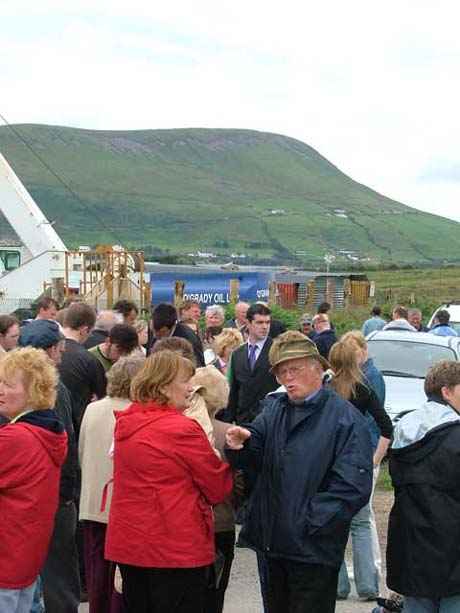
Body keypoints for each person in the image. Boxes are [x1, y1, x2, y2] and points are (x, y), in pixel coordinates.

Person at [226, 332, 373, 613]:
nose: (287, 378)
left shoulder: (345, 419)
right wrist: (240, 443)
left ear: (319, 368)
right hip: (273, 546)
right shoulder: (274, 409)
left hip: (313, 550)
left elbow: (352, 487)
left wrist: (308, 523)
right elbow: (255, 445)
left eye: (294, 369)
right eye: (282, 372)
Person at [105, 350, 233, 613]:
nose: (191, 387)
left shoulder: (126, 422)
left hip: (132, 544)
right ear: (163, 385)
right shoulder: (182, 429)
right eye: (186, 380)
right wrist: (227, 458)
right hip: (176, 546)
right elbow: (217, 488)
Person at [387, 360, 460, 612]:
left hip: (411, 546)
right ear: (446, 391)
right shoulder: (455, 434)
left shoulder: (404, 430)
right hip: (453, 550)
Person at [19, 320, 80, 613]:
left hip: (28, 496)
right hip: (52, 496)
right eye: (61, 348)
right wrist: (67, 494)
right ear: (53, 349)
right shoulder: (52, 388)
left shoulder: (17, 386)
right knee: (57, 572)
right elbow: (64, 444)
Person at [0, 347, 67, 612]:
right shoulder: (48, 432)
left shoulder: (15, 438)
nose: (0, 390)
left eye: (7, 384)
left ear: (33, 391)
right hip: (25, 557)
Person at [79, 355, 146, 613]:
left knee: (98, 575)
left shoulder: (92, 409)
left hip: (93, 503)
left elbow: (82, 451)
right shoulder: (137, 412)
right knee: (122, 581)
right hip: (124, 506)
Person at [329, 339, 393, 602]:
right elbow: (386, 427)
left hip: (332, 466)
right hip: (359, 464)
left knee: (333, 525)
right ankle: (368, 586)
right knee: (361, 524)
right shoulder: (364, 389)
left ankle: (338, 585)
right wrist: (375, 459)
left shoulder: (326, 390)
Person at [58, 302, 107, 437]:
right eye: (90, 332)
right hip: (79, 427)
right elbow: (101, 397)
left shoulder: (45, 350)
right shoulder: (89, 360)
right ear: (84, 330)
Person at [227, 303, 278, 424]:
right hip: (243, 422)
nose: (265, 327)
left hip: (269, 421)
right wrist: (228, 423)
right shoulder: (237, 354)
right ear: (248, 324)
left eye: (267, 322)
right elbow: (234, 392)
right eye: (259, 322)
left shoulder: (277, 350)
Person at [150, 302, 205, 367]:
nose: (156, 335)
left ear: (172, 326)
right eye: (154, 331)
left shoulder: (187, 338)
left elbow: (195, 365)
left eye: (162, 332)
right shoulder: (156, 330)